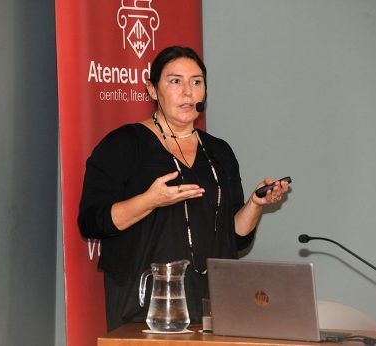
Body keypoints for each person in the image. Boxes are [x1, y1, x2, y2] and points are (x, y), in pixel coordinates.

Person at [78, 46, 289, 331]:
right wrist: (150, 201)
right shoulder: (122, 145)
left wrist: (254, 205)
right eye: (175, 81)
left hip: (213, 305)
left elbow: (235, 240)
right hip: (146, 306)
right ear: (152, 90)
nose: (188, 92)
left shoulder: (219, 152)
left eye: (197, 82)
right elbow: (92, 222)